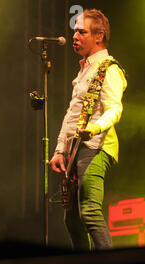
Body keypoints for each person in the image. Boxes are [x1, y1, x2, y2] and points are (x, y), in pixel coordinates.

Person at [49, 9, 127, 251]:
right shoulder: (85, 69)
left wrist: (93, 128)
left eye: (81, 32)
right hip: (76, 151)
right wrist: (60, 150)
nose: (75, 36)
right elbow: (72, 115)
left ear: (99, 35)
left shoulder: (109, 68)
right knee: (72, 220)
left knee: (90, 213)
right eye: (75, 31)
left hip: (96, 147)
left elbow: (115, 109)